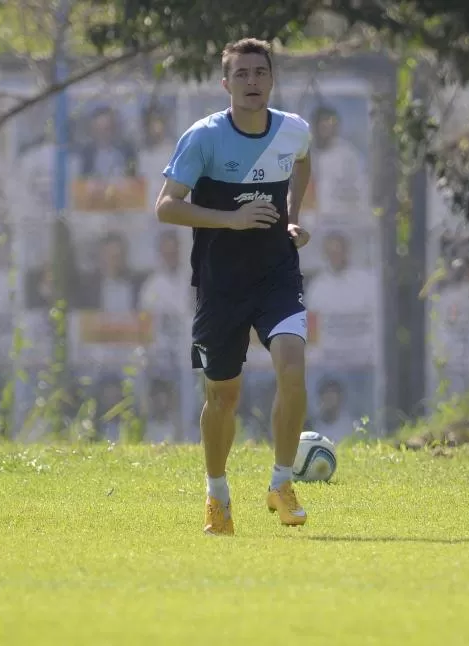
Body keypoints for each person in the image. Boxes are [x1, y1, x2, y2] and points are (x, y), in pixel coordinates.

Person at [155, 37, 313, 536]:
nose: (251, 82)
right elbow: (166, 206)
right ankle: (217, 495)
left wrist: (292, 218)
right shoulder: (203, 138)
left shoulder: (293, 131)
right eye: (241, 74)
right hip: (221, 284)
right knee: (223, 396)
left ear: (271, 79)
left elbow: (303, 161)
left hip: (276, 275)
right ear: (226, 84)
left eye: (259, 73)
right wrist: (233, 218)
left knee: (292, 367)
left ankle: (282, 483)